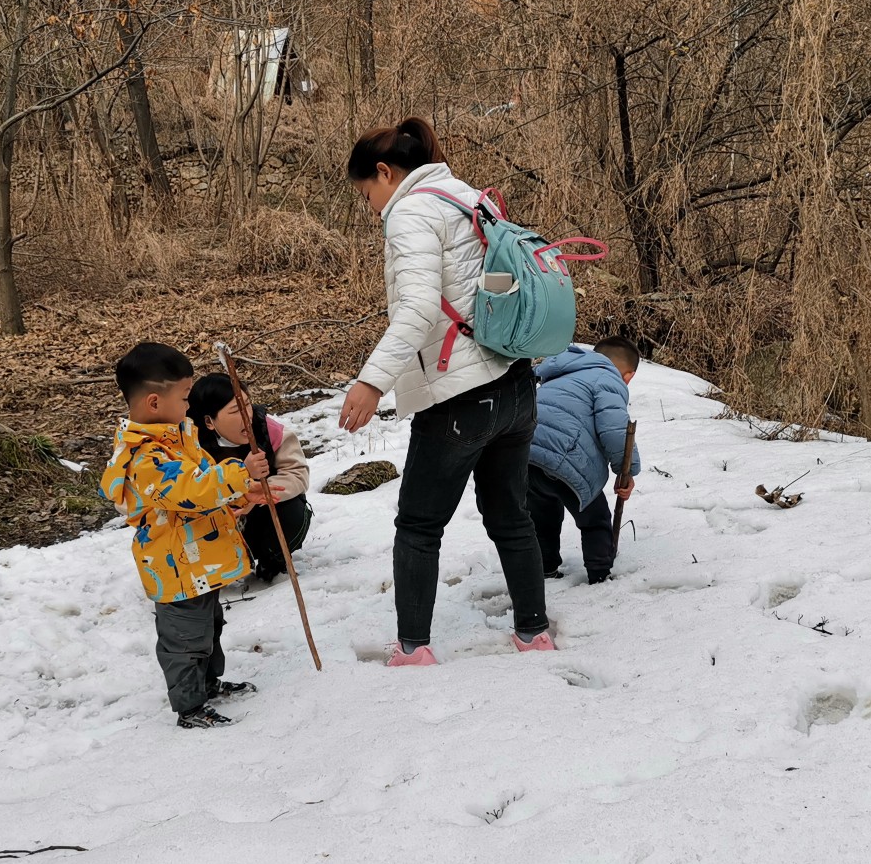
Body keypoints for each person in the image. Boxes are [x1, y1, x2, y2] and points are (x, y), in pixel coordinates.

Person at [336, 116, 550, 666]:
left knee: (418, 524)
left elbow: (417, 309)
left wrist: (371, 382)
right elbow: (497, 287)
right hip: (515, 382)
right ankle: (533, 632)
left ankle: (413, 647)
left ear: (385, 172)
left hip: (460, 395)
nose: (370, 206)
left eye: (366, 192)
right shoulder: (471, 198)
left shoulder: (410, 212)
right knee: (511, 515)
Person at [100, 342, 270, 729]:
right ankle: (189, 707)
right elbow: (190, 491)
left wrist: (242, 493)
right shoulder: (145, 457)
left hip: (197, 564)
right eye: (185, 396)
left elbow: (205, 481)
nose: (189, 404)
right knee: (184, 640)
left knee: (208, 628)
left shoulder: (178, 438)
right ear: (155, 402)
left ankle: (208, 685)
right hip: (174, 569)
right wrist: (241, 472)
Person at [528, 339, 643, 584]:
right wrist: (627, 472)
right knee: (595, 519)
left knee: (542, 514)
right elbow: (615, 431)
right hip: (566, 456)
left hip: (525, 453)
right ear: (629, 376)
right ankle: (599, 573)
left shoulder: (561, 371)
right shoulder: (608, 379)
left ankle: (545, 567)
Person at [188, 373, 312, 582]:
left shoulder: (266, 430)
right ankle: (219, 572)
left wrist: (260, 494)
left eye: (247, 404)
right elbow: (187, 491)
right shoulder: (192, 447)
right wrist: (240, 483)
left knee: (293, 509)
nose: (247, 415)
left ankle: (272, 560)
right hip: (218, 524)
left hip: (261, 515)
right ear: (209, 421)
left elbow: (296, 473)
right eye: (235, 410)